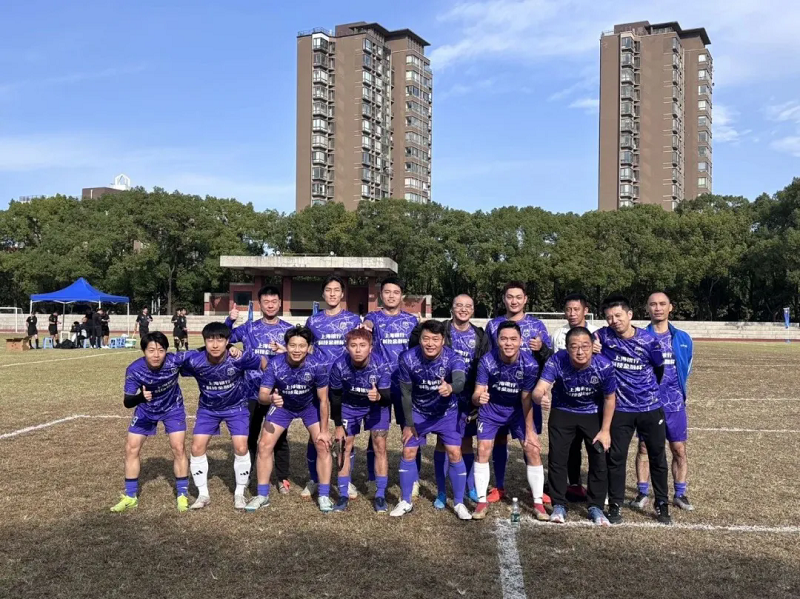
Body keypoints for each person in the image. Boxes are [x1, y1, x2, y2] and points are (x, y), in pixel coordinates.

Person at [409, 293, 490, 507]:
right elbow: (416, 345)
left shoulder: (479, 335)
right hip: (442, 394)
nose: (463, 309)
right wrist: (419, 327)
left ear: (473, 310)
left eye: (468, 306)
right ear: (451, 308)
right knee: (442, 443)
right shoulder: (442, 329)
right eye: (459, 305)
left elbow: (485, 363)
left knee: (466, 442)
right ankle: (442, 492)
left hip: (468, 395)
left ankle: (469, 487)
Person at [596, 294, 671, 525]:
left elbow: (659, 370)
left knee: (657, 456)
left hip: (650, 407)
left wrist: (645, 392)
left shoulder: (649, 341)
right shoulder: (603, 336)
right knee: (616, 457)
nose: (614, 321)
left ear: (630, 315)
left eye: (618, 315)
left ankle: (662, 504)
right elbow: (585, 343)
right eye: (609, 317)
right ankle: (615, 504)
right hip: (621, 409)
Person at [533, 327, 617, 526]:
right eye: (574, 347)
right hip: (563, 411)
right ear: (567, 348)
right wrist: (540, 397)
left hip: (592, 413)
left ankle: (596, 506)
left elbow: (610, 398)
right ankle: (559, 504)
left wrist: (605, 430)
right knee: (557, 459)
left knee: (598, 458)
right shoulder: (557, 360)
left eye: (585, 346)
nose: (580, 352)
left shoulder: (604, 365)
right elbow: (539, 389)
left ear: (592, 347)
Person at [180, 322, 266, 510]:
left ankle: (239, 493)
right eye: (210, 340)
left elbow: (264, 363)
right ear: (204, 341)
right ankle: (203, 494)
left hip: (237, 408)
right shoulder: (195, 360)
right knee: (196, 447)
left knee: (241, 447)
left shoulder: (239, 358)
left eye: (220, 340)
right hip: (208, 410)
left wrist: (273, 384)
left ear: (228, 341)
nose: (215, 344)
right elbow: (174, 365)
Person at [247, 326, 333, 513]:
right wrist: (271, 399)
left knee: (323, 444)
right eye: (292, 345)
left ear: (308, 347)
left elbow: (323, 400)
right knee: (264, 445)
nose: (297, 350)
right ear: (286, 346)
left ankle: (324, 495)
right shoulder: (275, 364)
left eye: (302, 346)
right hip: (283, 407)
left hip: (309, 407)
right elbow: (262, 395)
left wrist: (325, 431)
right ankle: (262, 495)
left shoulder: (317, 365)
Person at [390, 320, 471, 520]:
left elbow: (460, 380)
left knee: (455, 452)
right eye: (426, 338)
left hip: (446, 413)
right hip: (419, 411)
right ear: (420, 339)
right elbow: (405, 394)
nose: (430, 343)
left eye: (435, 339)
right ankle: (406, 501)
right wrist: (409, 423)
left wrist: (451, 387)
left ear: (443, 341)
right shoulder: (407, 358)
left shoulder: (453, 358)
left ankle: (459, 503)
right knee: (408, 451)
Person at [483, 281, 553, 503]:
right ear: (504, 299)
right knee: (499, 440)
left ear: (525, 299)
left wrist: (542, 348)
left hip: (527, 395)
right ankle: (499, 486)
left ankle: (535, 489)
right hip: (500, 394)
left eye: (518, 297)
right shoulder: (493, 325)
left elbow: (549, 360)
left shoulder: (537, 325)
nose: (514, 301)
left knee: (528, 440)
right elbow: (486, 357)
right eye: (510, 297)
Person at [471, 322, 546, 521]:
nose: (508, 343)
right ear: (497, 340)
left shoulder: (530, 364)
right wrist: (479, 398)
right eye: (504, 339)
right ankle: (481, 502)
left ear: (521, 341)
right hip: (491, 410)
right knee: (483, 449)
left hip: (518, 411)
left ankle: (538, 503)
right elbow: (477, 393)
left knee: (532, 448)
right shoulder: (487, 361)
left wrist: (529, 431)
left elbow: (526, 399)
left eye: (513, 339)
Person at [110, 332, 190, 513]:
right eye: (151, 350)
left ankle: (182, 494)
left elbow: (202, 352)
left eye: (161, 350)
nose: (156, 355)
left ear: (166, 351)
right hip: (146, 410)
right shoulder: (134, 369)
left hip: (173, 409)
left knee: (178, 448)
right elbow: (127, 402)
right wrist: (140, 397)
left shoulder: (174, 361)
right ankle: (131, 497)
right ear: (144, 351)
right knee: (131, 448)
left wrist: (229, 347)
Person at [226, 286, 293, 495]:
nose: (270, 305)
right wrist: (229, 321)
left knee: (279, 438)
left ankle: (282, 478)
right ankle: (247, 476)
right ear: (259, 304)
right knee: (250, 436)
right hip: (250, 392)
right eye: (266, 302)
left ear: (280, 303)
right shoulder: (249, 328)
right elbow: (222, 337)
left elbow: (300, 355)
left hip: (277, 393)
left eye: (274, 301)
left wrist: (285, 351)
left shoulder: (288, 330)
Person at [632, 292, 695, 511]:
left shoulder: (683, 338)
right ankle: (642, 492)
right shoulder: (640, 337)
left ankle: (680, 493)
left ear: (671, 307)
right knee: (644, 447)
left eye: (662, 304)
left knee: (679, 449)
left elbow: (686, 367)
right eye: (653, 304)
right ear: (647, 309)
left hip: (675, 404)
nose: (657, 308)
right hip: (648, 403)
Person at [303, 275, 362, 500]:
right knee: (317, 434)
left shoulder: (353, 319)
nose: (332, 294)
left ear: (342, 293)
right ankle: (315, 479)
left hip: (345, 386)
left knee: (345, 435)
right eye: (328, 290)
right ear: (323, 293)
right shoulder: (313, 321)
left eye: (337, 290)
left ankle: (345, 480)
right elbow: (305, 347)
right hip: (318, 384)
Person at [363, 276, 420, 493]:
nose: (391, 296)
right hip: (380, 385)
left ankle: (413, 479)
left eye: (396, 292)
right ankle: (373, 479)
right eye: (387, 292)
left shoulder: (411, 321)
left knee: (412, 431)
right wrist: (366, 326)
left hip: (406, 385)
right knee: (377, 434)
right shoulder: (373, 318)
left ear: (402, 296)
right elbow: (367, 325)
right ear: (381, 295)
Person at [328, 328, 392, 513]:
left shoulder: (381, 364)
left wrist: (379, 396)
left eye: (362, 345)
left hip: (375, 407)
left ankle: (380, 494)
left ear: (370, 348)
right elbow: (335, 396)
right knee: (343, 446)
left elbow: (388, 398)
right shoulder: (339, 365)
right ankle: (343, 494)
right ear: (347, 347)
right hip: (349, 406)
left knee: (380, 445)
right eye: (353, 345)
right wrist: (338, 425)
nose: (358, 350)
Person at [551, 293, 601, 501]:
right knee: (570, 446)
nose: (572, 313)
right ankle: (573, 484)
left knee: (595, 447)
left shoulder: (597, 334)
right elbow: (553, 363)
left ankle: (598, 492)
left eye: (576, 309)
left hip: (591, 402)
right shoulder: (558, 334)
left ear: (585, 311)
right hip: (564, 401)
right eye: (568, 309)